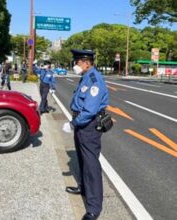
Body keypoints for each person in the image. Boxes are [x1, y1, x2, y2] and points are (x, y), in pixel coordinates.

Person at [65, 49, 109, 220]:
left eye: (77, 62)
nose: (75, 65)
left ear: (86, 62)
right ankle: (83, 187)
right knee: (82, 159)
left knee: (91, 166)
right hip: (82, 124)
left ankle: (94, 208)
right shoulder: (85, 76)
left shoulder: (94, 80)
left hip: (88, 125)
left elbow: (90, 110)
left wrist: (73, 123)